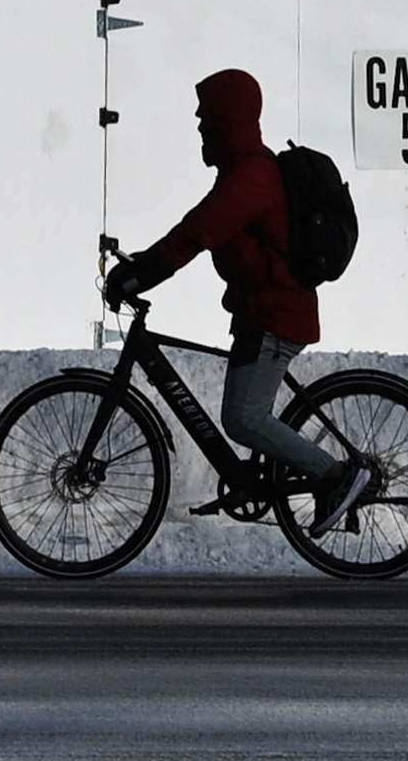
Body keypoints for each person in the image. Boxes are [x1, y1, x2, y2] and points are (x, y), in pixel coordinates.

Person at [103, 66, 375, 531]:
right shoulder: (243, 171)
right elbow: (197, 229)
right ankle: (286, 477)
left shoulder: (250, 178)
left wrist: (139, 275)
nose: (199, 127)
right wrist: (142, 267)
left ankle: (337, 476)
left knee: (244, 419)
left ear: (226, 120)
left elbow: (194, 234)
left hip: (276, 316)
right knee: (245, 415)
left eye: (205, 118)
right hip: (261, 314)